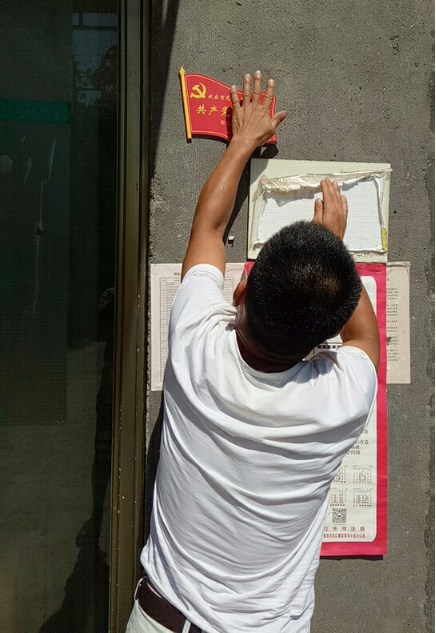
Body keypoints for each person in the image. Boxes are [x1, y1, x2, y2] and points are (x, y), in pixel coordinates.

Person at [126, 72, 380, 633]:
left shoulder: (196, 344)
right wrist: (332, 250)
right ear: (322, 339)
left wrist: (242, 141)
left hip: (163, 620)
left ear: (239, 289)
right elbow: (364, 339)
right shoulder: (342, 399)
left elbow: (209, 228)